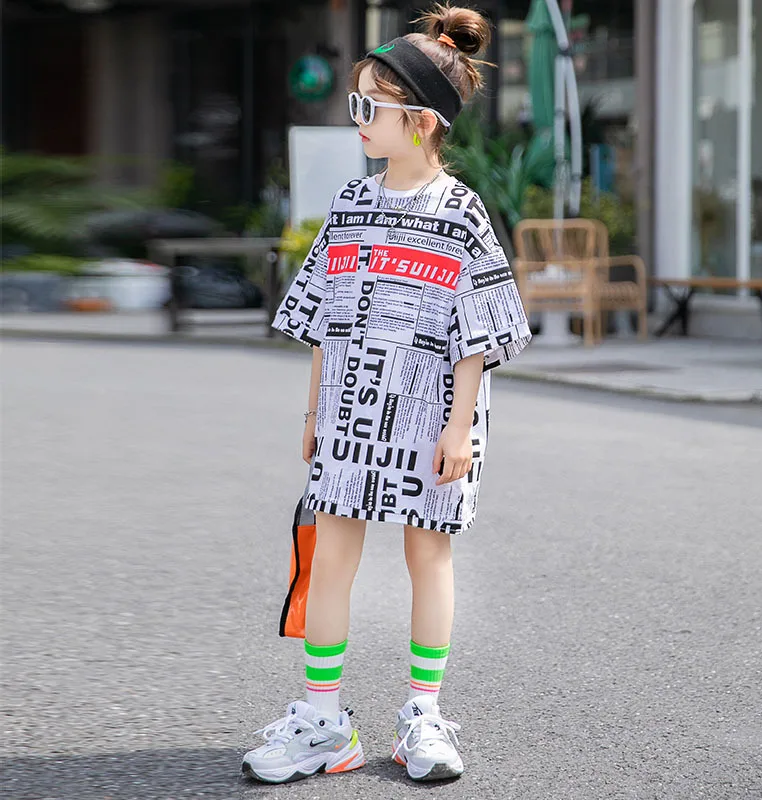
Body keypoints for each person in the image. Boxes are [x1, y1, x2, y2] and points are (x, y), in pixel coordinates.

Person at [242, 2, 532, 785]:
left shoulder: (462, 213)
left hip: (433, 419)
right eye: (356, 102)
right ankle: (322, 722)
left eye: (371, 106)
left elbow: (478, 334)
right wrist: (314, 412)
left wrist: (459, 429)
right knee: (332, 553)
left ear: (423, 120)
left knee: (427, 554)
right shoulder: (351, 203)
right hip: (349, 415)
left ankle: (423, 716)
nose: (358, 119)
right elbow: (324, 319)